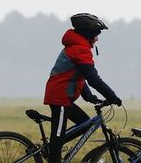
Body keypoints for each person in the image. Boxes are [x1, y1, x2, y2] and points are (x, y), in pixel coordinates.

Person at [43, 13, 122, 163]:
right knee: (57, 141)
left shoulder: (77, 47)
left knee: (85, 123)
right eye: (96, 34)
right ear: (88, 34)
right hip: (60, 97)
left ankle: (51, 147)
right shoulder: (80, 49)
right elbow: (93, 79)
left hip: (62, 96)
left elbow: (77, 75)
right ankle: (53, 151)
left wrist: (88, 96)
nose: (97, 38)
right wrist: (112, 96)